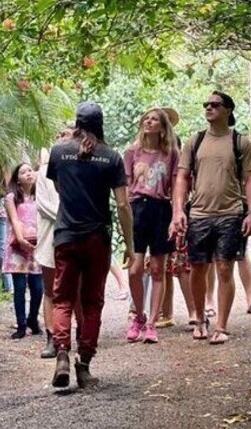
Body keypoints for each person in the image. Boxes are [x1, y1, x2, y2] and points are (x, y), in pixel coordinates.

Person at [46, 101, 134, 388]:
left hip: (66, 236)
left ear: (77, 122)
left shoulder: (59, 152)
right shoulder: (111, 157)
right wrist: (130, 246)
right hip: (97, 237)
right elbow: (122, 204)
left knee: (62, 299)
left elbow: (60, 188)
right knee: (92, 302)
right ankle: (83, 365)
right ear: (101, 123)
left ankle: (61, 353)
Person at [170, 91, 251, 345]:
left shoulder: (240, 142)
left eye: (215, 105)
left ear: (228, 110)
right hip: (199, 214)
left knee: (224, 268)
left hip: (230, 213)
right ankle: (199, 319)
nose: (209, 108)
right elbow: (182, 178)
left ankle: (221, 325)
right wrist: (178, 211)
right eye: (206, 104)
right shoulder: (194, 141)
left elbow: (250, 179)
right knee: (198, 268)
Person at [123, 107, 180, 344]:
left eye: (154, 119)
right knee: (135, 269)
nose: (149, 122)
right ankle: (139, 315)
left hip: (160, 209)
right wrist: (124, 220)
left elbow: (177, 185)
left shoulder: (171, 153)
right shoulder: (131, 153)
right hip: (137, 208)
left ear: (162, 126)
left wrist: (177, 214)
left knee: (158, 268)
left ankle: (152, 323)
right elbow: (125, 189)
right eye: (146, 118)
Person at [203, 178, 251, 316]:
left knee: (242, 254)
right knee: (212, 257)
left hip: (238, 207)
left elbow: (248, 175)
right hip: (210, 206)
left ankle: (250, 299)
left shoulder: (238, 156)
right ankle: (209, 300)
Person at [35, 127, 77, 358]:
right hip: (51, 235)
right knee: (50, 290)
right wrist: (68, 216)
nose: (62, 138)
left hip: (73, 233)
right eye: (59, 135)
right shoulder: (43, 172)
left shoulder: (81, 166)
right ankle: (52, 337)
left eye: (68, 134)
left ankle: (76, 334)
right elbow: (42, 204)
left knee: (76, 287)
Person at [2, 163, 43, 339]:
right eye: (23, 172)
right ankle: (21, 324)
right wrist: (21, 239)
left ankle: (33, 319)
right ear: (17, 179)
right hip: (18, 247)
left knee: (38, 287)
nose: (28, 174)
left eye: (30, 171)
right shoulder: (12, 197)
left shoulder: (41, 195)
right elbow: (14, 220)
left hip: (37, 246)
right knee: (19, 287)